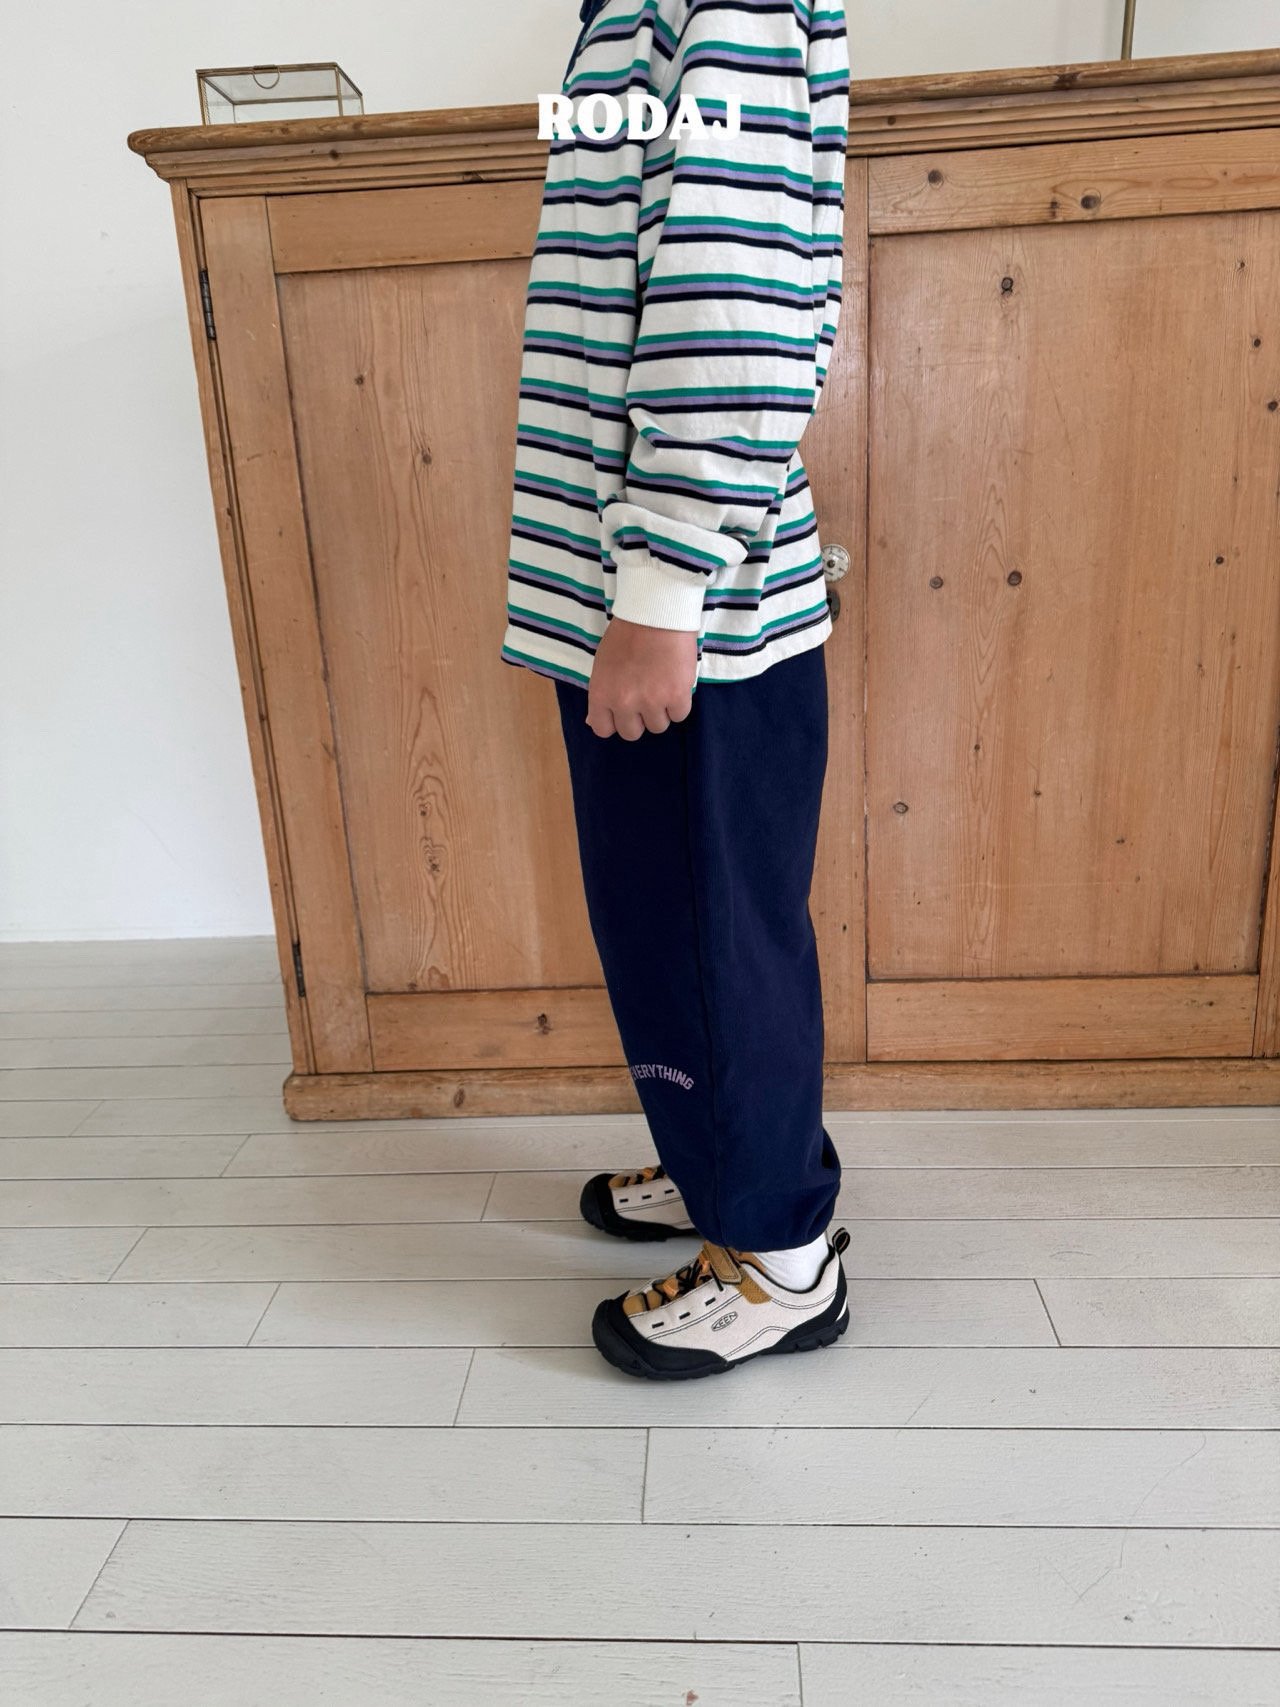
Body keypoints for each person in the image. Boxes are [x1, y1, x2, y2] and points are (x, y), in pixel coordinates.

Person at [500, 0, 851, 1380]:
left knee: (708, 937)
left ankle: (777, 1255)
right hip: (640, 602)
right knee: (677, 929)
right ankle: (721, 1161)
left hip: (686, 619)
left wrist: (660, 593)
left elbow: (738, 295)